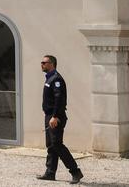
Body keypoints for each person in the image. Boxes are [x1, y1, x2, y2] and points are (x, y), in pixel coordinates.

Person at [37, 54, 83, 184]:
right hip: (49, 116)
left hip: (55, 116)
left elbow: (59, 99)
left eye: (44, 62)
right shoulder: (49, 78)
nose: (42, 64)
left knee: (57, 144)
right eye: (42, 62)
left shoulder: (56, 79)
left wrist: (55, 116)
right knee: (51, 145)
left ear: (52, 64)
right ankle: (50, 173)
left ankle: (75, 171)